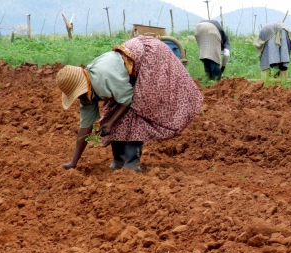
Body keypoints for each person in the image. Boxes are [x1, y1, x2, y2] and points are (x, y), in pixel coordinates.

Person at [56, 36, 203, 172]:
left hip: (150, 58)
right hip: (129, 69)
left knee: (139, 107)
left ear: (82, 86)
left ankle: (132, 162)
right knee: (112, 111)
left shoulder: (103, 78)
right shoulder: (86, 95)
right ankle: (119, 160)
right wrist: (73, 162)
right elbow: (85, 127)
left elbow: (127, 99)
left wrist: (112, 123)